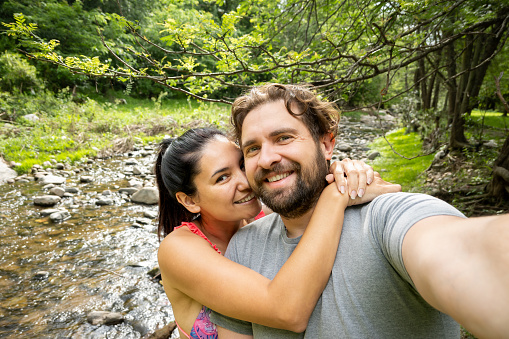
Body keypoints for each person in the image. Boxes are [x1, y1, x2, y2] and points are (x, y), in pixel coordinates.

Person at [210, 83, 509, 339]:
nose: (266, 159)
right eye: (252, 149)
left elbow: (466, 252)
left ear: (327, 144)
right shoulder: (243, 247)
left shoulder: (388, 217)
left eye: (283, 138)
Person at [155, 127, 401, 339]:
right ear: (189, 201)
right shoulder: (179, 250)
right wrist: (334, 197)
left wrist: (341, 174)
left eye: (243, 164)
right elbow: (287, 311)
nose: (245, 181)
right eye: (223, 178)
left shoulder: (269, 218)